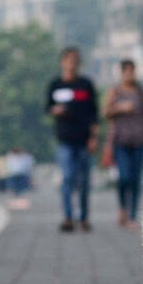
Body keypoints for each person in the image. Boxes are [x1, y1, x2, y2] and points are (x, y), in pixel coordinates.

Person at [47, 47, 99, 232]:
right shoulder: (55, 85)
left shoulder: (86, 85)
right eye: (68, 59)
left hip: (84, 140)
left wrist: (94, 137)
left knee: (84, 182)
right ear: (62, 62)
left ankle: (84, 217)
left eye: (74, 60)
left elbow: (94, 113)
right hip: (65, 141)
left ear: (79, 63)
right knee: (67, 179)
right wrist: (56, 110)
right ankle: (68, 217)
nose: (71, 63)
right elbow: (48, 108)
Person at [103, 59, 143, 228]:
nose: (130, 74)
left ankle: (132, 216)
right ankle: (122, 208)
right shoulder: (115, 92)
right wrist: (120, 108)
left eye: (132, 71)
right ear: (122, 73)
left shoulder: (141, 93)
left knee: (136, 179)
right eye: (126, 71)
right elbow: (105, 112)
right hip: (121, 141)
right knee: (124, 177)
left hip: (139, 140)